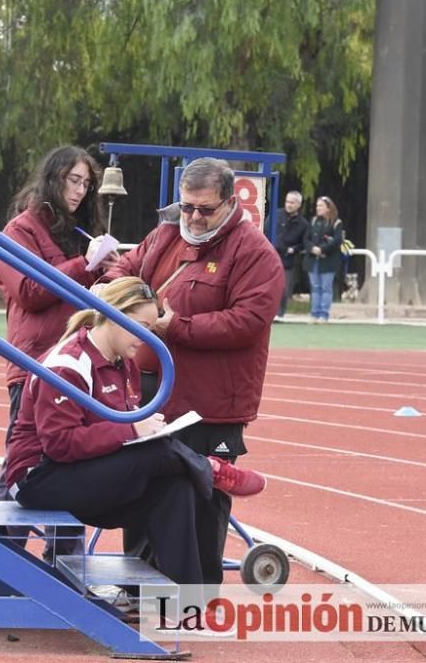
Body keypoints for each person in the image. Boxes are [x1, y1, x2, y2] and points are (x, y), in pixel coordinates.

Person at [4, 277, 266, 587]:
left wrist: (139, 430)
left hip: (79, 472)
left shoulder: (124, 362)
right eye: (141, 326)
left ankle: (189, 602)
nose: (147, 338)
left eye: (151, 329)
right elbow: (60, 444)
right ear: (113, 314)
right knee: (155, 453)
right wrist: (130, 429)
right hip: (38, 477)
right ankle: (208, 467)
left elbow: (117, 435)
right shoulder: (68, 364)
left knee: (176, 486)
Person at [98, 157, 282, 590]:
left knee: (202, 497)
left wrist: (173, 326)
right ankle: (138, 588)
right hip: (149, 390)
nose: (195, 218)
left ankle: (196, 594)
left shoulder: (255, 253)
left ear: (230, 202)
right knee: (141, 489)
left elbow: (248, 321)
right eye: (187, 208)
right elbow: (128, 268)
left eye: (205, 209)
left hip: (211, 402)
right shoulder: (165, 234)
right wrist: (113, 289)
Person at [0, 145, 116, 560]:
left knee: (75, 462)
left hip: (78, 366)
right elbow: (30, 292)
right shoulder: (19, 230)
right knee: (22, 463)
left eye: (86, 183)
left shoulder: (77, 232)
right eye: (72, 180)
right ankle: (1, 562)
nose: (80, 191)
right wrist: (85, 264)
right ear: (52, 178)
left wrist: (109, 272)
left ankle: (66, 564)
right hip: (34, 367)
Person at [302, 195, 344, 324]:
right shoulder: (314, 221)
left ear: (328, 208)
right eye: (317, 206)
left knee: (326, 287)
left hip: (328, 260)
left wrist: (323, 249)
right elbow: (306, 238)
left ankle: (323, 314)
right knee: (315, 287)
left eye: (321, 206)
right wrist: (312, 248)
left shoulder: (336, 222)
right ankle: (314, 313)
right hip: (313, 259)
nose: (318, 208)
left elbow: (337, 240)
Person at [272, 191, 308, 320]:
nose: (289, 205)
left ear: (298, 204)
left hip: (287, 259)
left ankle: (280, 314)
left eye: (292, 202)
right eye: (287, 201)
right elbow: (265, 229)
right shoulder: (276, 214)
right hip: (270, 255)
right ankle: (268, 313)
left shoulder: (303, 224)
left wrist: (294, 249)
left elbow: (304, 243)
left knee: (284, 288)